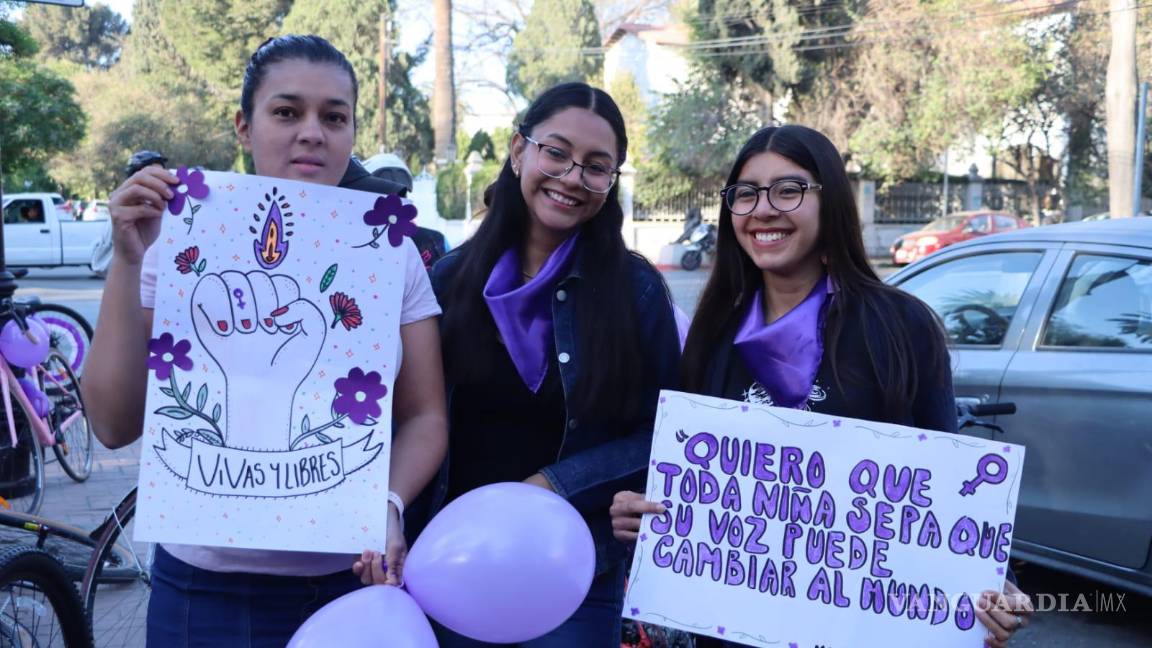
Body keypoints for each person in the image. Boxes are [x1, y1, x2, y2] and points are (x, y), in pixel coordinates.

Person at [82, 35, 447, 647]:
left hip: (349, 584)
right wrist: (127, 260)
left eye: (334, 117)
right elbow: (113, 424)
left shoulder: (391, 253)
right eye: (287, 111)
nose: (312, 133)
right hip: (203, 595)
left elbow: (424, 415)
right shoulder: (170, 240)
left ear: (352, 132)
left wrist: (388, 505)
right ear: (243, 126)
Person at [609, 125, 1033, 648]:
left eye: (788, 190)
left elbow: (947, 488)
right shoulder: (713, 335)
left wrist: (987, 582)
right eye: (746, 193)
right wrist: (641, 511)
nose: (764, 210)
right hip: (735, 628)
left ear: (829, 202)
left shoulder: (899, 328)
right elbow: (691, 487)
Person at [419, 82, 681, 646]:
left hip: (574, 573)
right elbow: (412, 419)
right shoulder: (447, 281)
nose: (571, 177)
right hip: (453, 564)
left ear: (611, 182)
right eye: (556, 152)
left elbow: (664, 433)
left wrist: (552, 486)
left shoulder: (635, 291)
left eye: (596, 166)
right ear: (519, 151)